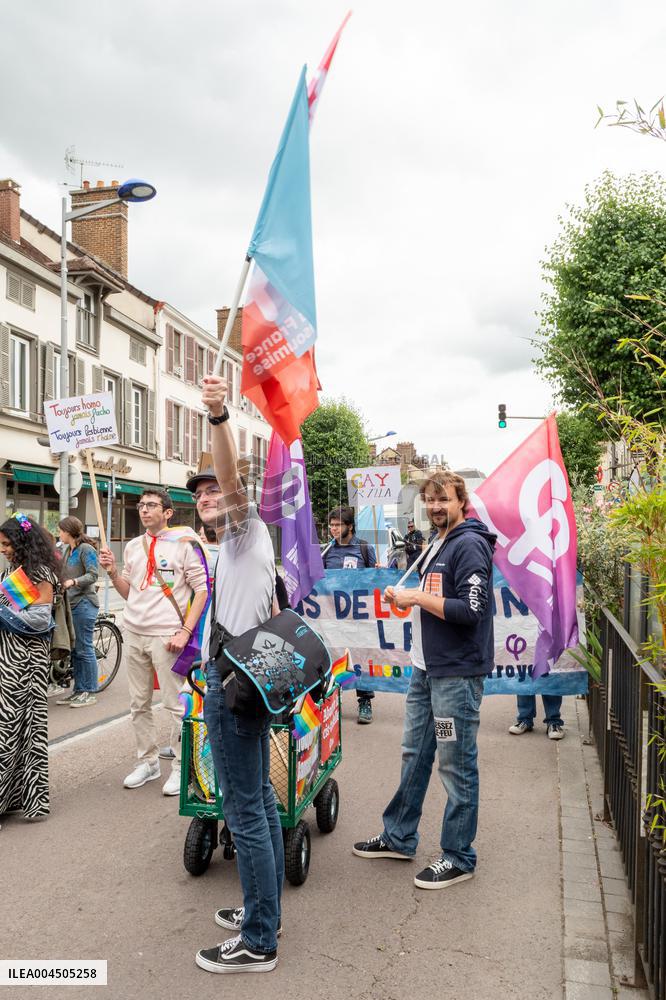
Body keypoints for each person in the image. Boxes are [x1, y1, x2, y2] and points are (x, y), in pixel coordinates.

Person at [353, 471, 496, 890]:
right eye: (429, 501)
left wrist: (415, 597)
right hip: (426, 669)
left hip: (454, 676)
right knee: (414, 754)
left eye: (443, 500)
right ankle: (399, 835)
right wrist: (410, 601)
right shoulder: (440, 541)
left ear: (460, 501)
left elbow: (470, 610)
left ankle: (458, 855)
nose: (435, 507)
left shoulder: (468, 543)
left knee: (456, 765)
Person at [193, 373, 283, 976]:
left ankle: (258, 940)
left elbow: (229, 481)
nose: (209, 500)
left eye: (214, 495)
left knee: (244, 809)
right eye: (197, 496)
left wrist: (220, 415)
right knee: (263, 804)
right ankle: (265, 911)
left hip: (235, 683)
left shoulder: (245, 530)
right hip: (246, 677)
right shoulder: (233, 549)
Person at [99, 489, 208, 796]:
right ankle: (147, 762)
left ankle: (179, 766)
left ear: (168, 512)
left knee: (175, 705)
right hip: (133, 632)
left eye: (151, 505)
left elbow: (201, 590)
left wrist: (185, 632)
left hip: (167, 636)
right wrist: (111, 573)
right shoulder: (134, 546)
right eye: (141, 505)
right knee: (138, 704)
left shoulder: (184, 545)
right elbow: (129, 591)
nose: (144, 510)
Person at [0, 513, 61, 820]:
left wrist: (0, 613)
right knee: (11, 729)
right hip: (9, 659)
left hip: (26, 663)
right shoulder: (16, 569)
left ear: (22, 542)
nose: (2, 549)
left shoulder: (40, 573)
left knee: (13, 730)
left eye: (7, 543)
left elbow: (40, 621)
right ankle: (14, 799)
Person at [323, 506, 377, 724]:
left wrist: (376, 574)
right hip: (332, 616)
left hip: (358, 616)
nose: (333, 529)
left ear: (349, 526)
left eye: (338, 525)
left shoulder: (364, 548)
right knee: (333, 656)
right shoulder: (327, 550)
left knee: (359, 658)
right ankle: (332, 700)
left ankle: (365, 701)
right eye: (331, 525)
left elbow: (375, 580)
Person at [55, 516, 99, 708]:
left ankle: (89, 691)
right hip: (70, 603)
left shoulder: (85, 549)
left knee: (84, 648)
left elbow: (93, 574)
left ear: (68, 531)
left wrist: (74, 582)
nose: (59, 534)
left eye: (60, 530)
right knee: (74, 650)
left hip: (84, 603)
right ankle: (78, 690)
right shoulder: (66, 549)